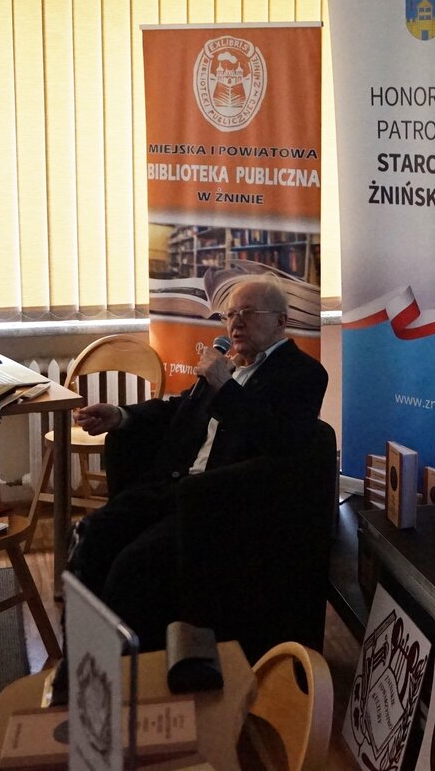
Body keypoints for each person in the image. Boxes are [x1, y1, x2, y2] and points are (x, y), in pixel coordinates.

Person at [67, 274, 328, 647]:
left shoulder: (302, 374)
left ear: (280, 322)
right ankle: (85, 655)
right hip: (172, 486)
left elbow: (281, 439)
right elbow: (179, 407)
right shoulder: (228, 365)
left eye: (248, 313)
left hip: (219, 503)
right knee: (91, 535)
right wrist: (122, 416)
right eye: (230, 314)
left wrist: (226, 387)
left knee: (132, 568)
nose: (235, 323)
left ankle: (132, 664)